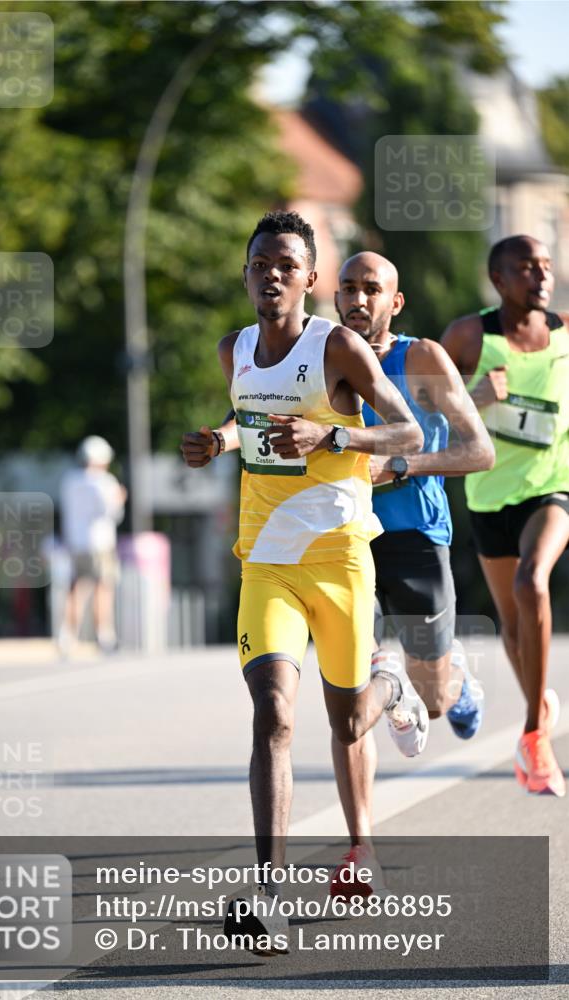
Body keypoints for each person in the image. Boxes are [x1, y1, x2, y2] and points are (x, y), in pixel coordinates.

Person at [182, 211, 426, 948]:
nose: (273, 275)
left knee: (348, 723)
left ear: (309, 278)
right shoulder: (235, 350)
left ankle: (392, 682)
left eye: (288, 264)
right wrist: (220, 439)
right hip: (264, 562)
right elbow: (249, 412)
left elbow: (408, 431)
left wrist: (336, 435)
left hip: (341, 558)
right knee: (274, 717)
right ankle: (269, 894)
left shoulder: (340, 347)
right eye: (261, 264)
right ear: (246, 273)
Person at [327, 251, 495, 889]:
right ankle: (360, 848)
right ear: (333, 295)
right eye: (348, 287)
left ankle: (452, 678)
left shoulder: (419, 358)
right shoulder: (323, 356)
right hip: (344, 541)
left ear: (394, 302)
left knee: (436, 696)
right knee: (350, 683)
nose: (358, 298)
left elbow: (478, 450)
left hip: (415, 536)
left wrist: (398, 467)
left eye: (372, 289)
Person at [442, 235, 569, 798]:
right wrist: (477, 396)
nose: (540, 276)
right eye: (526, 267)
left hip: (553, 488)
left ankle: (534, 733)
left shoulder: (565, 332)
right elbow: (423, 414)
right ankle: (539, 704)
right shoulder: (471, 335)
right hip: (490, 495)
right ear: (498, 279)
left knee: (531, 581)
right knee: (513, 629)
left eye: (545, 265)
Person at [59, 436, 127, 655]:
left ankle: (67, 636)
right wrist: (120, 499)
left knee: (76, 589)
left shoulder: (70, 480)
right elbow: (111, 512)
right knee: (102, 588)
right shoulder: (105, 481)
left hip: (75, 542)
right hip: (100, 542)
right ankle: (104, 636)